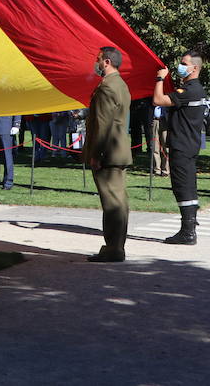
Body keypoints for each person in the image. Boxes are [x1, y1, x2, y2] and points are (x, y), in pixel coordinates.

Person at [153, 52, 208, 245]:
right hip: (189, 144)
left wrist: (159, 78)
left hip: (182, 145)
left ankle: (187, 232)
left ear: (194, 68)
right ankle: (190, 226)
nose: (180, 66)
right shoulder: (195, 89)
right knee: (189, 186)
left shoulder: (190, 90)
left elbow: (158, 100)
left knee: (182, 186)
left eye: (184, 64)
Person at [85, 46, 132, 263]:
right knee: (118, 200)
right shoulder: (120, 84)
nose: (96, 63)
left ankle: (114, 248)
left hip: (108, 151)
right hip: (118, 149)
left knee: (112, 202)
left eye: (98, 59)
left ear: (107, 62)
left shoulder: (106, 87)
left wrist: (96, 153)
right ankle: (115, 246)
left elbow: (103, 124)